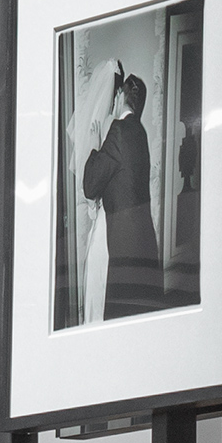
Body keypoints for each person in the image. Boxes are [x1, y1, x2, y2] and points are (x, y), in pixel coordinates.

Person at [78, 66, 162, 318]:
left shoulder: (118, 130)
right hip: (143, 240)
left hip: (121, 239)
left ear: (120, 98)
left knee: (111, 304)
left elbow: (90, 186)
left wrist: (93, 147)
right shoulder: (140, 132)